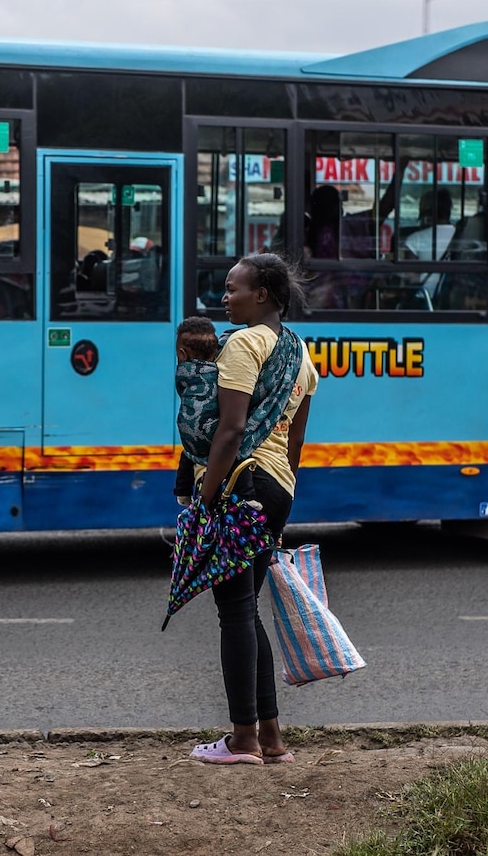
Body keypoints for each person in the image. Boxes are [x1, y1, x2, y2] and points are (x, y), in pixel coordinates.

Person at [188, 252, 318, 766]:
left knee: (235, 612)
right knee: (246, 609)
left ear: (261, 294)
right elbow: (296, 443)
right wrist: (278, 511)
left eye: (232, 288)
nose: (224, 298)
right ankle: (271, 738)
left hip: (240, 485)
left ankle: (242, 740)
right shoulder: (300, 353)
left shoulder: (243, 344)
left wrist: (203, 503)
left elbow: (230, 429)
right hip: (277, 487)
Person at [173, 315, 221, 506]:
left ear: (182, 354)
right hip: (215, 439)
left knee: (187, 454)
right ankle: (249, 496)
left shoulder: (183, 374)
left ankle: (182, 493)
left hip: (191, 439)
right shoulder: (221, 373)